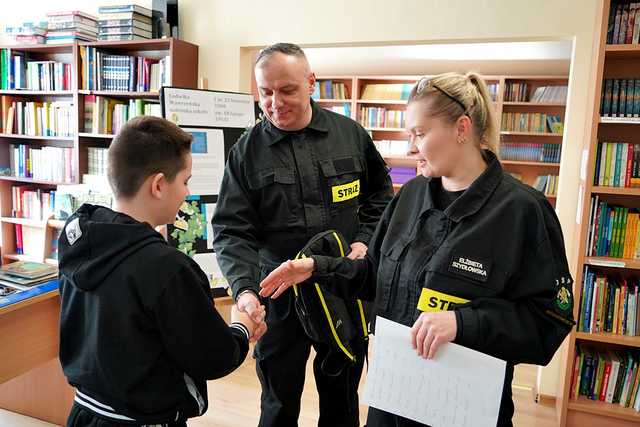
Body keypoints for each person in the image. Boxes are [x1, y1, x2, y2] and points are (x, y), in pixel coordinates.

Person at [260, 72, 576, 427]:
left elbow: (547, 320)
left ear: (461, 128)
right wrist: (317, 269)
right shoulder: (409, 197)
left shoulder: (523, 212)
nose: (410, 148)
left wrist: (461, 323)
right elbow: (376, 276)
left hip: (462, 411)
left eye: (420, 134)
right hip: (392, 400)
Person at [212, 43, 393, 427]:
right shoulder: (245, 153)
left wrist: (365, 239)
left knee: (342, 398)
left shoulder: (351, 136)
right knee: (278, 402)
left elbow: (381, 197)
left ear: (311, 83)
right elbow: (231, 230)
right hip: (278, 296)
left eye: (287, 90)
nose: (275, 102)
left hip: (339, 287)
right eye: (265, 92)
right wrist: (244, 289)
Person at [58, 116, 266, 427]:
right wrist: (242, 328)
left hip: (83, 415)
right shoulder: (168, 268)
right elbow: (212, 356)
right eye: (185, 181)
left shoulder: (76, 236)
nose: (186, 192)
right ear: (158, 185)